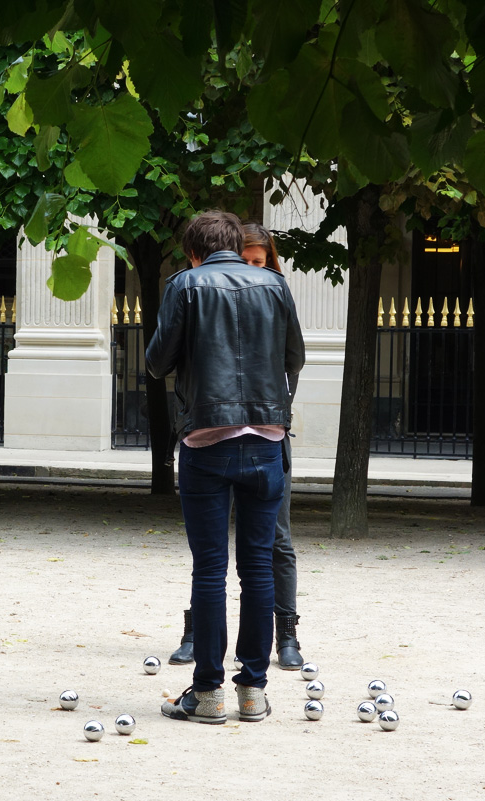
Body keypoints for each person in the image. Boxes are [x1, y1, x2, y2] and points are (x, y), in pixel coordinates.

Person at [147, 211, 304, 724]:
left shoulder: (185, 284)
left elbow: (157, 362)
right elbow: (294, 358)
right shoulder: (275, 284)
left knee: (210, 568)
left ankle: (208, 692)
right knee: (257, 566)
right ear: (236, 245)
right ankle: (253, 691)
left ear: (194, 251)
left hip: (207, 437)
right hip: (265, 438)